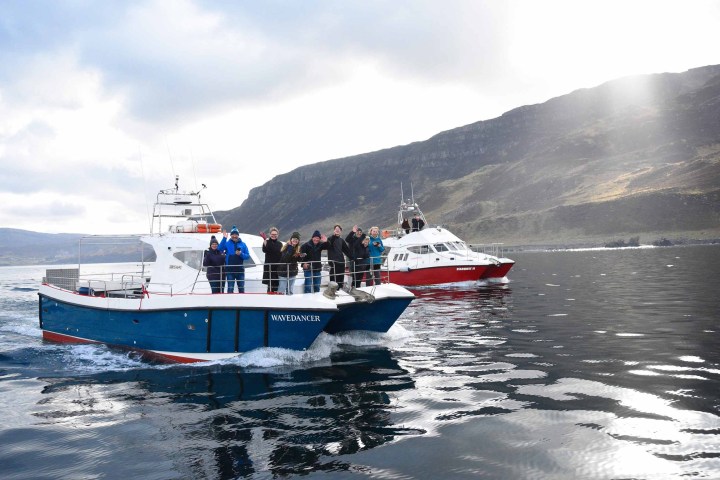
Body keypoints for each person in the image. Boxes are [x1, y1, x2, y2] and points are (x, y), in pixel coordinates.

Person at [219, 226, 250, 293]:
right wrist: (224, 238)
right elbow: (219, 249)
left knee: (241, 288)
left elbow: (247, 256)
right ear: (231, 235)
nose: (234, 236)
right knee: (230, 288)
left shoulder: (243, 244)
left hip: (240, 270)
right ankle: (229, 303)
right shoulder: (227, 243)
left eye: (236, 234)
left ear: (238, 235)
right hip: (230, 270)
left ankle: (242, 302)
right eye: (233, 234)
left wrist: (241, 254)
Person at [326, 224, 352, 289]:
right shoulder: (330, 239)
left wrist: (353, 258)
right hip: (333, 263)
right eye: (336, 229)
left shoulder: (341, 240)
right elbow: (328, 244)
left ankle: (339, 290)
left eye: (339, 230)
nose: (337, 231)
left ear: (341, 231)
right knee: (333, 280)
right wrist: (334, 236)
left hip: (341, 263)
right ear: (334, 231)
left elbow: (347, 251)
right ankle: (332, 292)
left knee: (340, 280)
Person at [261, 227, 282, 293]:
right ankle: (269, 298)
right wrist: (264, 239)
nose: (274, 235)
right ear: (270, 234)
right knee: (270, 285)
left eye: (275, 234)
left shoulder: (280, 244)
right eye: (272, 234)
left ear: (277, 235)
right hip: (269, 267)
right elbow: (265, 250)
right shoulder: (267, 242)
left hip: (277, 267)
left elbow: (282, 254)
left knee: (277, 284)